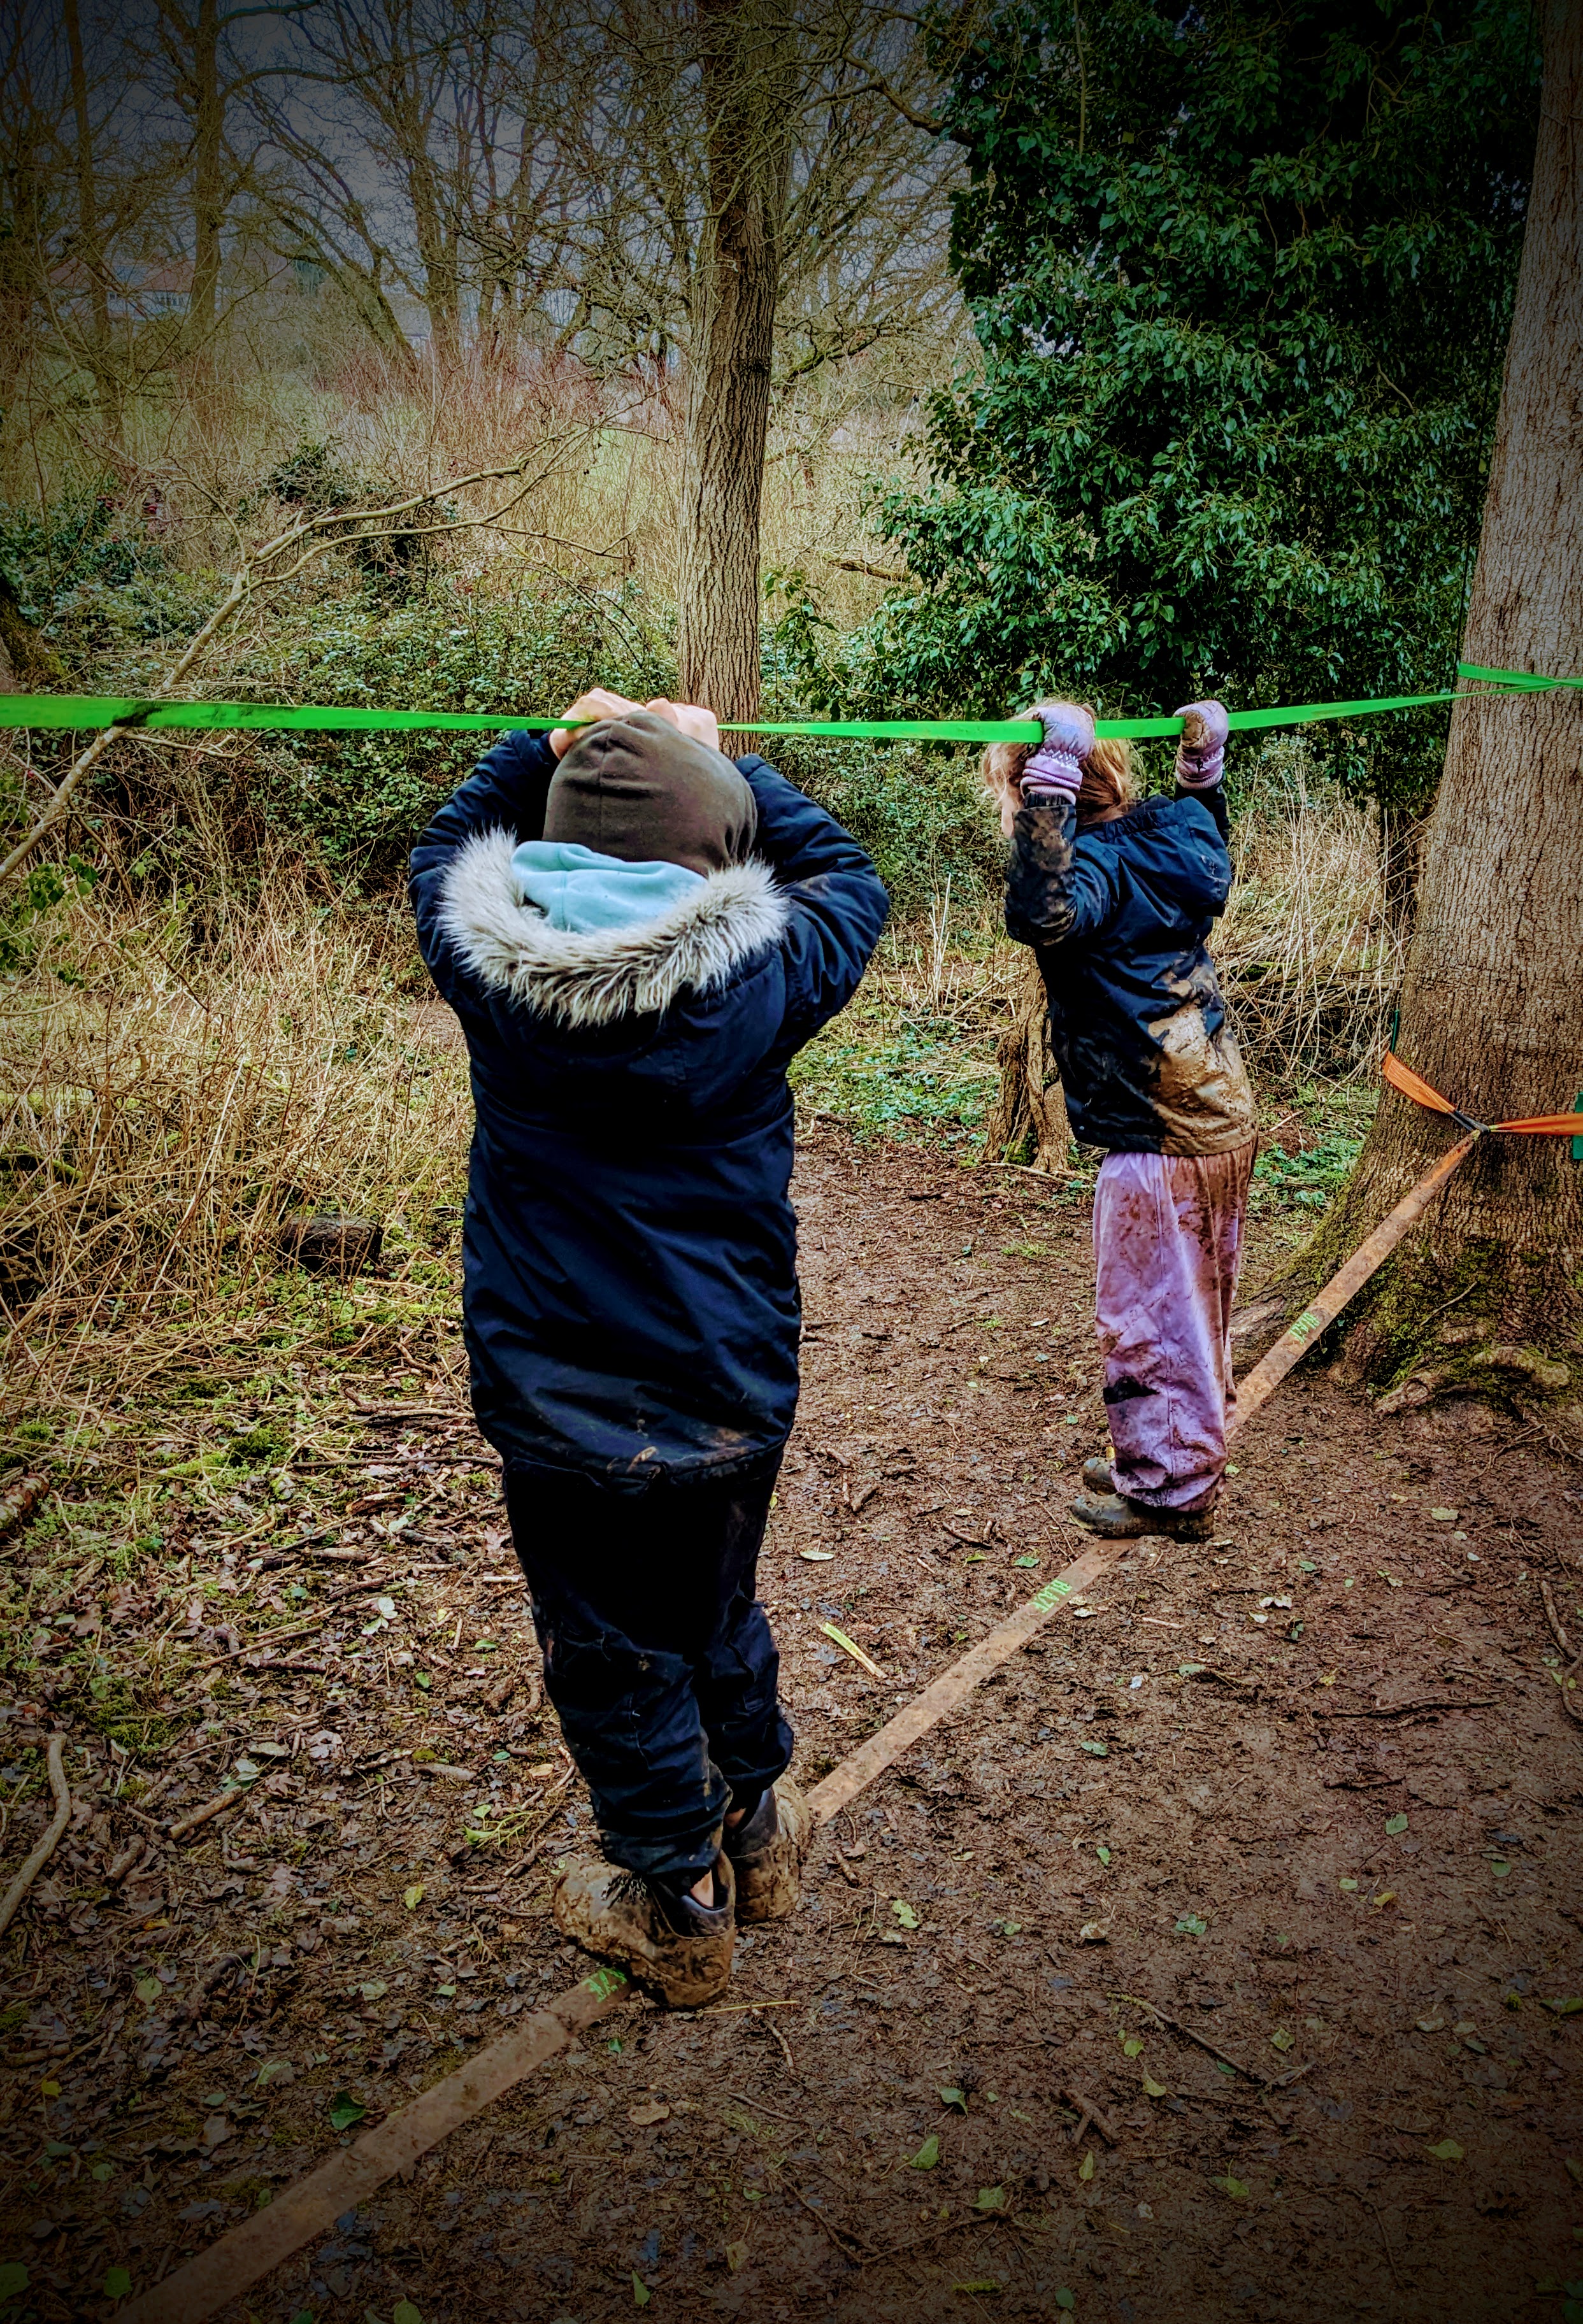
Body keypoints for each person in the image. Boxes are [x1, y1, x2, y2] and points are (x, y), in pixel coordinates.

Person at [410, 688, 889, 2006]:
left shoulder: (485, 970)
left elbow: (443, 846)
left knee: (607, 1643)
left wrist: (542, 745)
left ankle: (675, 1909)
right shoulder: (769, 977)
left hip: (558, 1402)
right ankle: (754, 1835)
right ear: (714, 850)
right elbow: (845, 871)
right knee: (714, 1607)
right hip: (726, 1386)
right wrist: (725, 757)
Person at [982, 697, 1256, 1541]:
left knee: (1146, 1317)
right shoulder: (1169, 832)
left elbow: (1041, 913)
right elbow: (1206, 847)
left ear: (1053, 790)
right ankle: (1174, 1452)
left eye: (1017, 796)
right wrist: (1200, 771)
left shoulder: (1091, 862)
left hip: (1157, 1131)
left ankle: (1171, 1487)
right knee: (1191, 1304)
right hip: (1217, 1111)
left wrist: (1045, 784)